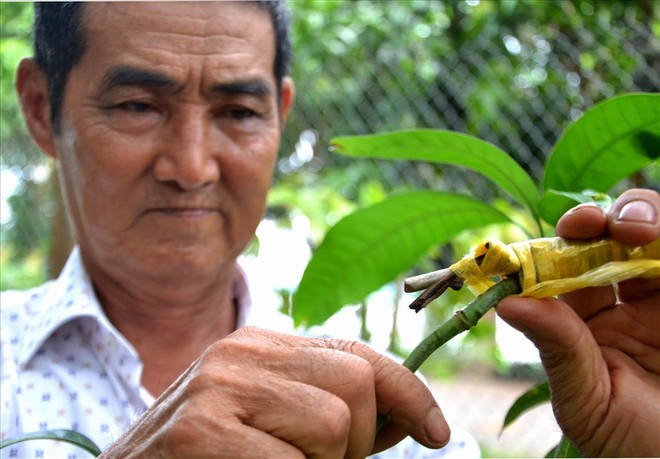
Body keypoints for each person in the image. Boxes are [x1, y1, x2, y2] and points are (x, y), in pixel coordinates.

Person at [0, 2, 657, 458]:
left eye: (237, 109)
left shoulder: (392, 409)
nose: (193, 166)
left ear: (280, 115)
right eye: (138, 105)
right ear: (40, 106)